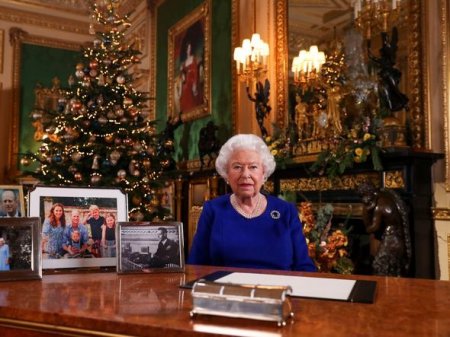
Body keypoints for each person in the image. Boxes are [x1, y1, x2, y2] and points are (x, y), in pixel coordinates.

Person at [187, 134, 316, 271]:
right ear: (226, 174)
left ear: (264, 173)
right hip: (225, 290)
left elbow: (304, 266)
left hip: (278, 290)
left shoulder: (286, 211)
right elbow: (195, 265)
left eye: (253, 167)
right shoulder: (213, 210)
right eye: (237, 167)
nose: (245, 174)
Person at [179, 40, 203, 113]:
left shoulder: (193, 59)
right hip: (186, 82)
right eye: (188, 48)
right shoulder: (185, 62)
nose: (189, 50)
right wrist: (182, 70)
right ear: (186, 50)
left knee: (188, 90)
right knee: (184, 90)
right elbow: (183, 74)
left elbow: (195, 71)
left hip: (192, 81)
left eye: (190, 48)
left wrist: (195, 84)